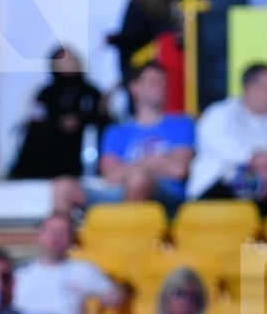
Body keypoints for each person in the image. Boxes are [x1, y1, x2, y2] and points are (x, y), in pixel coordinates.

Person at [55, 60, 195, 211]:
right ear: (135, 88)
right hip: (118, 193)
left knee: (139, 180)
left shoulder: (182, 124)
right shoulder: (115, 131)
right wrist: (158, 161)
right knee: (63, 186)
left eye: (163, 82)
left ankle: (127, 231)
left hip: (166, 196)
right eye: (153, 82)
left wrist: (131, 169)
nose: (160, 87)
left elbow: (179, 169)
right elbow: (111, 176)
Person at [189, 63, 267, 211]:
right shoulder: (220, 114)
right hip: (224, 190)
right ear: (250, 89)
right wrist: (255, 160)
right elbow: (218, 143)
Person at [13, 211, 124, 314]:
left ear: (71, 239)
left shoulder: (84, 271)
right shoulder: (20, 275)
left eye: (62, 232)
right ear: (39, 235)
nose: (54, 236)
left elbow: (116, 293)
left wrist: (115, 295)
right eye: (50, 230)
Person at [10, 46, 106, 181]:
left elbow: (101, 116)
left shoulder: (91, 92)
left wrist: (79, 121)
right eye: (64, 60)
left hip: (80, 137)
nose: (70, 63)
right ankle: (27, 177)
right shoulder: (46, 93)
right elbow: (37, 116)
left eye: (72, 59)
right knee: (37, 133)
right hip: (52, 135)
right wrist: (59, 124)